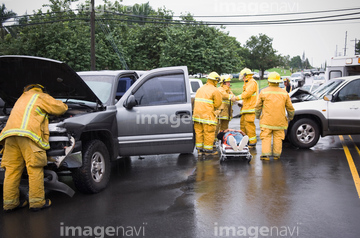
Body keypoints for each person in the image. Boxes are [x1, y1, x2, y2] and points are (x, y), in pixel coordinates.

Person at [0, 84, 68, 212]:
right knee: (34, 168)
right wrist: (64, 105)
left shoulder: (21, 98)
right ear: (41, 88)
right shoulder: (40, 96)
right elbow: (60, 108)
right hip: (28, 136)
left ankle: (10, 204)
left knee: (11, 171)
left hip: (9, 136)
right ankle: (37, 203)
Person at [255, 72, 295, 160]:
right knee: (278, 138)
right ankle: (277, 155)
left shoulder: (263, 92)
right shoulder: (284, 93)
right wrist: (290, 117)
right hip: (280, 121)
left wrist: (257, 116)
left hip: (266, 121)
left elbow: (258, 106)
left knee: (266, 137)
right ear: (278, 82)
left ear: (269, 81)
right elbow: (290, 108)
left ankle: (265, 155)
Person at [192, 72, 222, 156]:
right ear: (215, 80)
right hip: (207, 116)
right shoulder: (215, 90)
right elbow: (217, 104)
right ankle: (208, 151)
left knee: (199, 132)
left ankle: (200, 150)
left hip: (197, 116)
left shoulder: (200, 89)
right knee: (208, 133)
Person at [235, 68, 259, 147]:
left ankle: (252, 143)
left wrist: (237, 98)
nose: (243, 78)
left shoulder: (252, 83)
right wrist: (241, 103)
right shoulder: (247, 83)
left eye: (244, 77)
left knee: (249, 126)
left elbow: (247, 94)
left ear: (247, 76)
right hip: (246, 109)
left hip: (250, 109)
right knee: (243, 126)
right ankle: (244, 142)